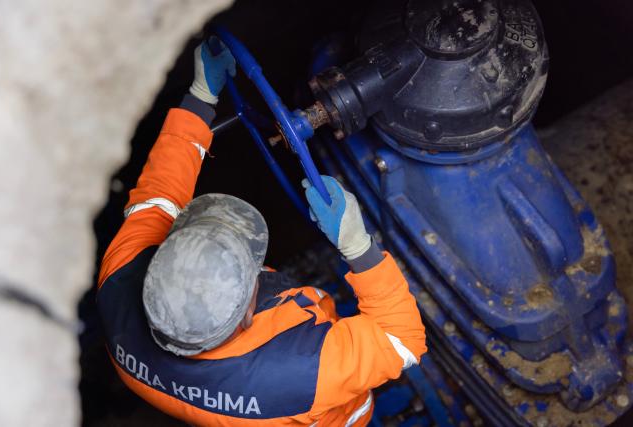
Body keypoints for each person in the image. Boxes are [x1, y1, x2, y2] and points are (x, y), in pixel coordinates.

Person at [97, 37, 427, 427]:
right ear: (248, 315)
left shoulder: (121, 282)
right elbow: (403, 340)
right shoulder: (303, 372)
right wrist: (358, 247)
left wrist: (200, 97)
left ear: (160, 262)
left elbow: (157, 197)